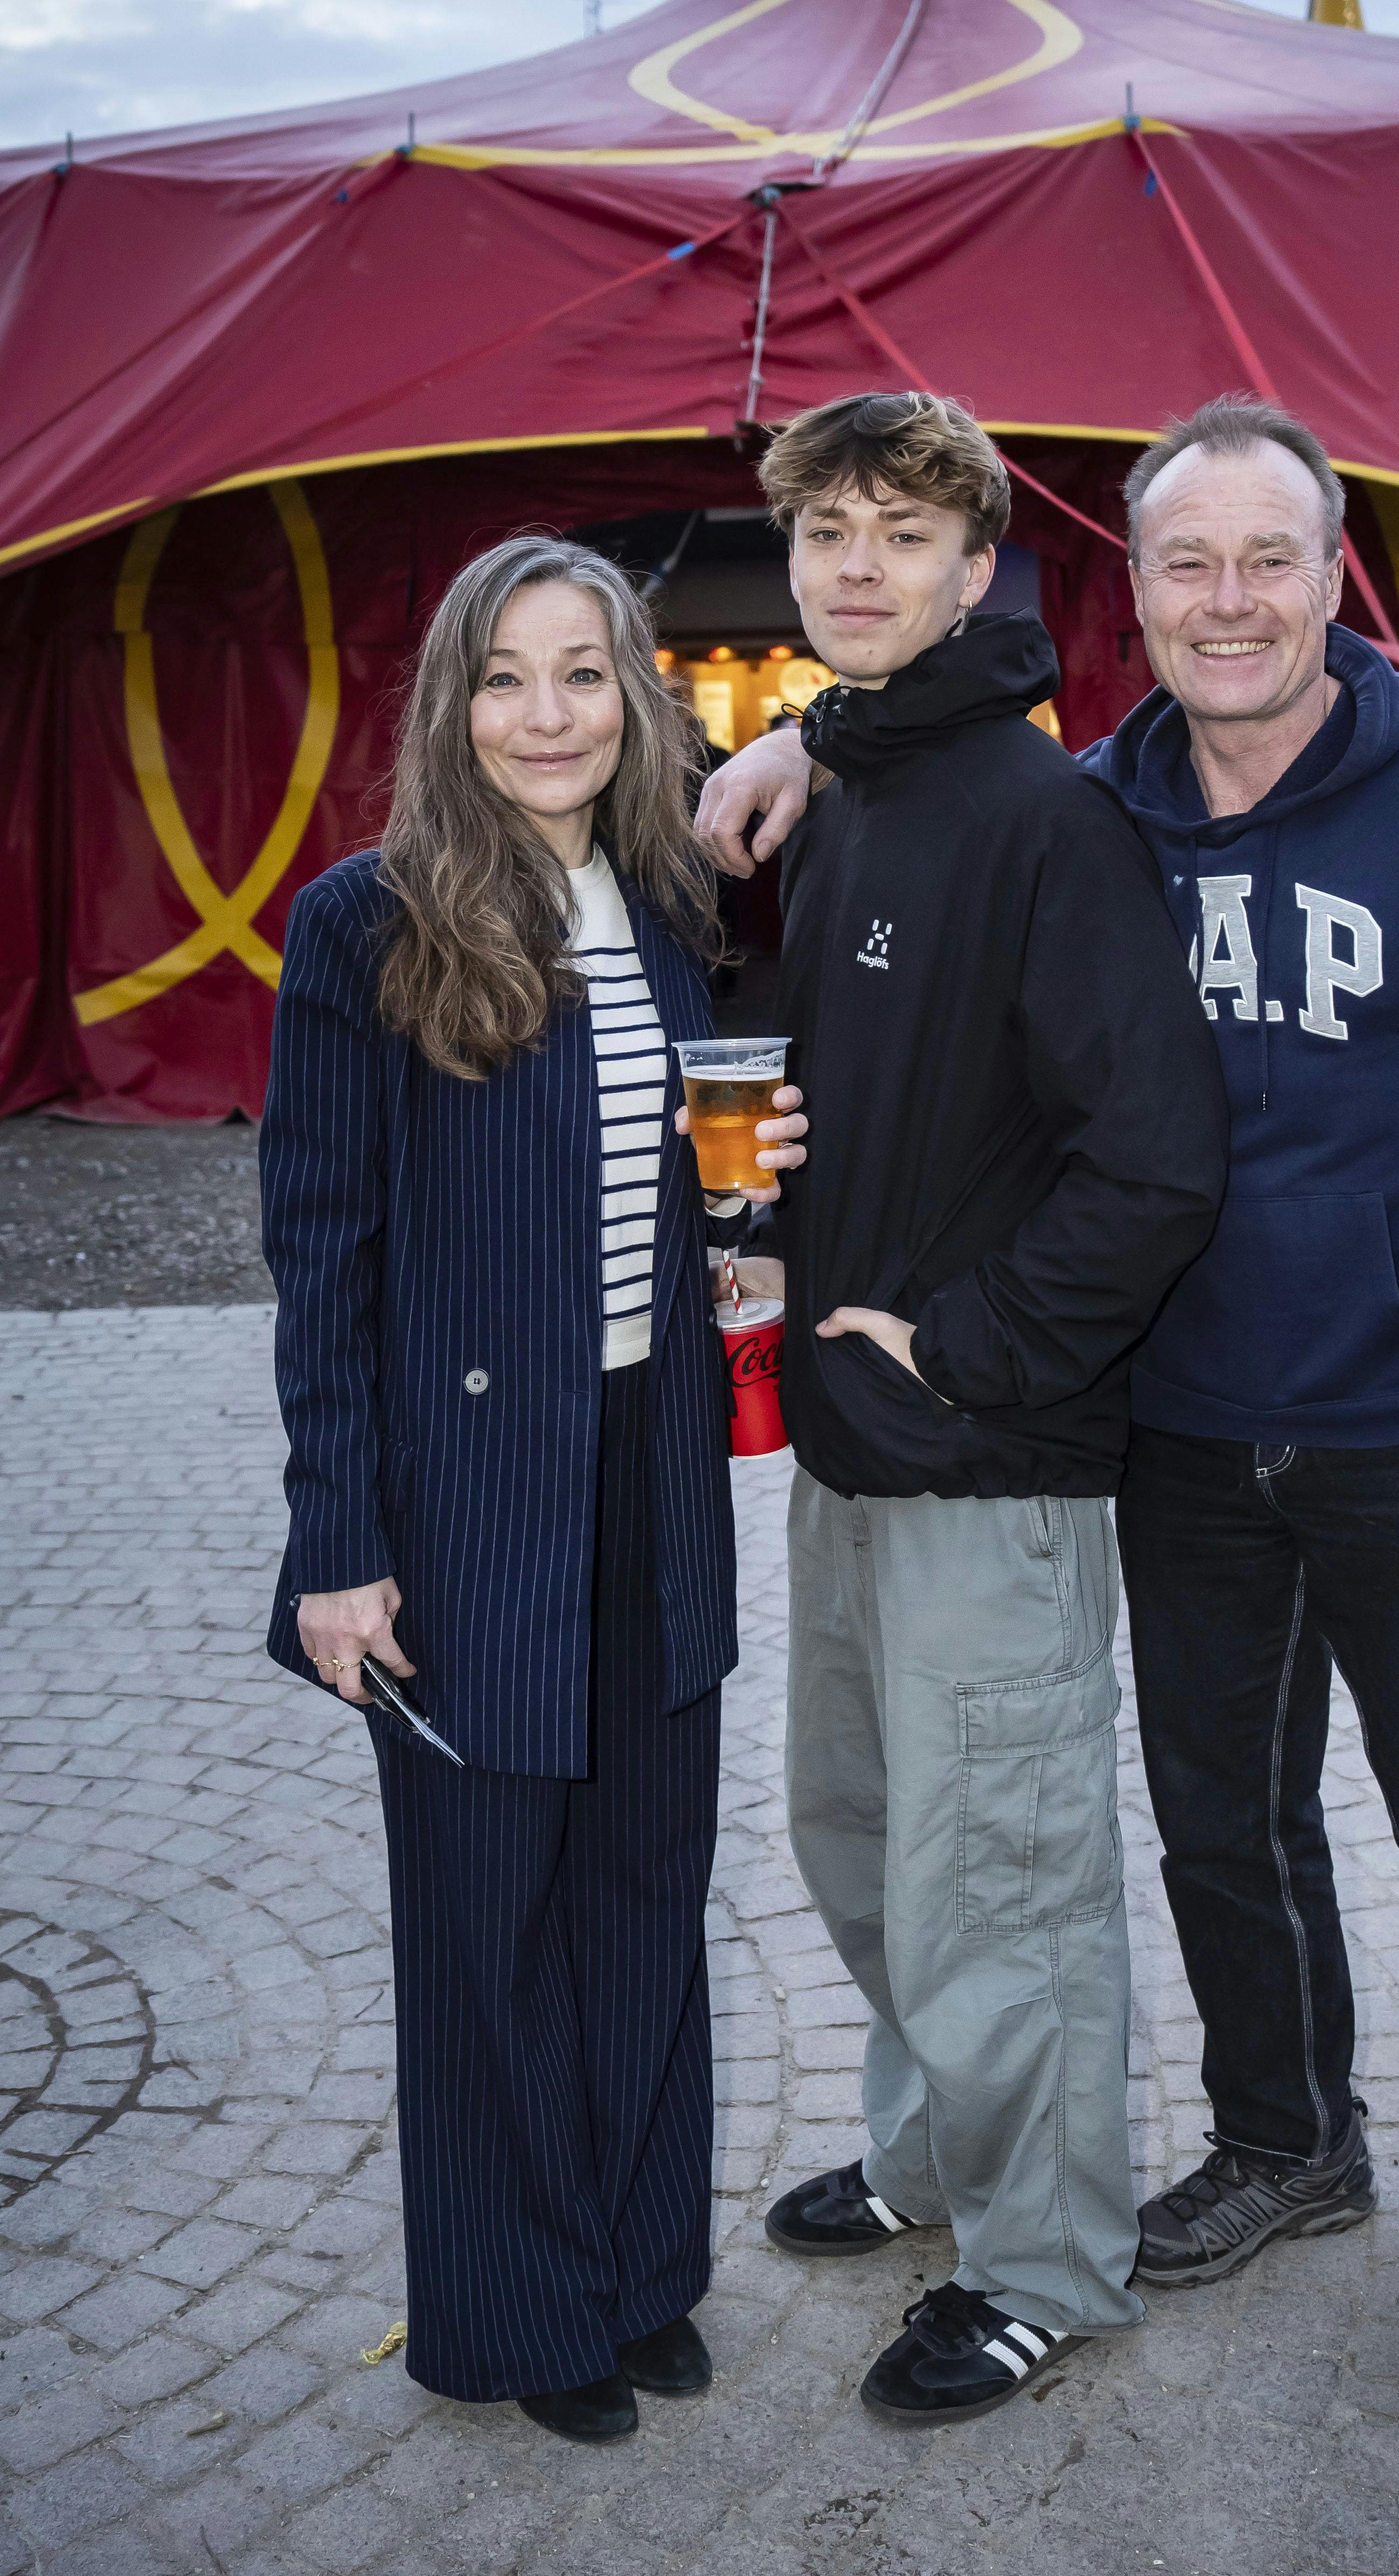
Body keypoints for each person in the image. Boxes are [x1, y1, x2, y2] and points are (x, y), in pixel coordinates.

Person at [698, 393, 1399, 2419]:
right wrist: (787, 739)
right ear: (1135, 586)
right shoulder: (1115, 798)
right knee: (1225, 1838)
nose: (1226, 600)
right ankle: (1289, 2143)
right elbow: (929, 739)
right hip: (1180, 1428)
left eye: (1267, 557)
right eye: (1185, 562)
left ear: (1333, 569)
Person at [260, 534, 808, 2445]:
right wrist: (339, 1544)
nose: (550, 714)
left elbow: (676, 1190)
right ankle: (517, 2309)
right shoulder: (363, 922)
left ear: (639, 695)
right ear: (451, 702)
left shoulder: (673, 900)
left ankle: (640, 2267)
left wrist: (749, 1212)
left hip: (653, 1467)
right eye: (508, 675)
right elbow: (321, 1254)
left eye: (588, 673)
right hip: (466, 1494)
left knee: (648, 1889)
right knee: (490, 1921)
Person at [737, 391, 1227, 2425]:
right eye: (825, 532)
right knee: (859, 1840)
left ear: (972, 566)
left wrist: (977, 1344)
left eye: (900, 533)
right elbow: (913, 1107)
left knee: (998, 1876)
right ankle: (939, 2153)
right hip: (857, 1451)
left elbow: (1159, 1160)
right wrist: (782, 1225)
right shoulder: (847, 786)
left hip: (991, 1464)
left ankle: (1044, 2259)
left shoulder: (1043, 821)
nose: (858, 565)